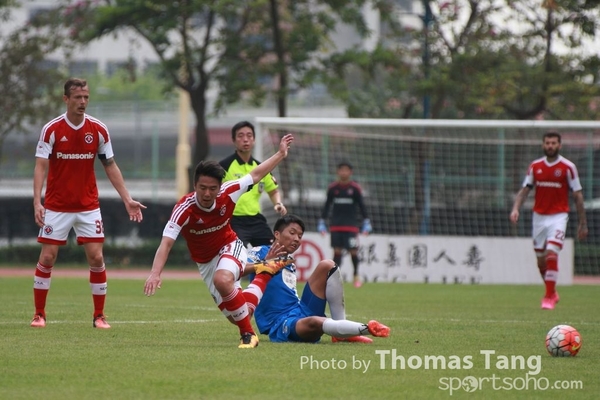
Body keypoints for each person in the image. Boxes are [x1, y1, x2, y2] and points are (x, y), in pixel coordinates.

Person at [143, 134, 294, 349]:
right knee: (240, 313)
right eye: (202, 187)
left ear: (219, 186)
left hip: (230, 246)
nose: (207, 193)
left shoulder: (229, 192)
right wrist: (155, 273)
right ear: (194, 185)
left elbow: (256, 174)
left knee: (222, 280)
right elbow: (166, 243)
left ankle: (248, 335)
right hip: (206, 262)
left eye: (212, 188)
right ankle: (264, 272)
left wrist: (280, 154)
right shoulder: (184, 209)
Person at [31, 77, 146, 329]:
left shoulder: (98, 129)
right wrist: (37, 202)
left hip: (88, 206)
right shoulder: (51, 129)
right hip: (57, 206)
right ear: (66, 99)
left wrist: (127, 199)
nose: (82, 102)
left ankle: (99, 316)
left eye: (86, 97)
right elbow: (41, 166)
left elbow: (110, 165)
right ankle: (39, 314)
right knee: (48, 257)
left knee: (96, 257)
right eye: (77, 97)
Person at [248, 214, 390, 344]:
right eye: (292, 233)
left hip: (299, 310)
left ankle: (341, 331)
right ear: (277, 234)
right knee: (314, 322)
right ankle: (365, 328)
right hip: (281, 322)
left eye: (300, 236)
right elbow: (239, 270)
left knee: (327, 265)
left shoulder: (289, 262)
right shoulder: (260, 252)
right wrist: (264, 264)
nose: (297, 239)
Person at [510, 131, 588, 310]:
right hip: (538, 217)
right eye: (547, 143)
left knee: (552, 252)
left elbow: (577, 195)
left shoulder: (568, 167)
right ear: (543, 145)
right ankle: (552, 291)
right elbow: (525, 190)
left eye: (553, 143)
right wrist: (515, 208)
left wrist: (582, 223)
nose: (550, 146)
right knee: (541, 260)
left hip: (558, 216)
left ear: (559, 145)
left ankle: (548, 297)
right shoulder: (535, 166)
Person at [219, 121, 287, 282]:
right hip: (233, 220)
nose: (245, 139)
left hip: (256, 220)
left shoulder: (260, 167)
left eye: (249, 136)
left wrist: (278, 203)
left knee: (275, 252)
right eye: (241, 136)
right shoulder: (224, 166)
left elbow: (273, 190)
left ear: (254, 140)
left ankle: (268, 289)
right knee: (235, 258)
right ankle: (232, 290)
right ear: (234, 140)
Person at [318, 161, 372, 288]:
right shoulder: (333, 188)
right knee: (337, 252)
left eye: (346, 170)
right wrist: (322, 221)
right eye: (341, 170)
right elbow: (327, 206)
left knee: (353, 251)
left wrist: (366, 221)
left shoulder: (355, 189)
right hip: (336, 226)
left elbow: (362, 206)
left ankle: (356, 276)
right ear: (338, 172)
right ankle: (334, 278)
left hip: (351, 226)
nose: (344, 172)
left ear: (350, 172)